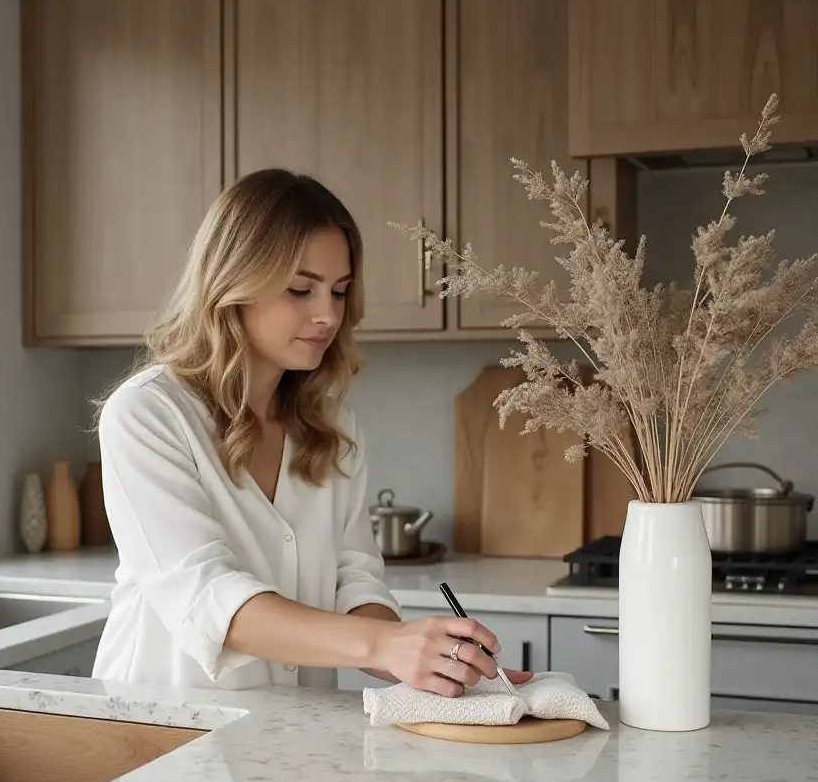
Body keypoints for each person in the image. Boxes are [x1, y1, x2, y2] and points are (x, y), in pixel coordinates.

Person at [90, 168, 533, 695]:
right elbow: (208, 599)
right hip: (166, 731)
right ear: (234, 283)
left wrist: (425, 657)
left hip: (294, 739)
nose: (327, 315)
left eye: (340, 292)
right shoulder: (148, 414)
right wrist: (384, 645)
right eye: (300, 289)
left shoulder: (334, 428)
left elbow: (356, 582)